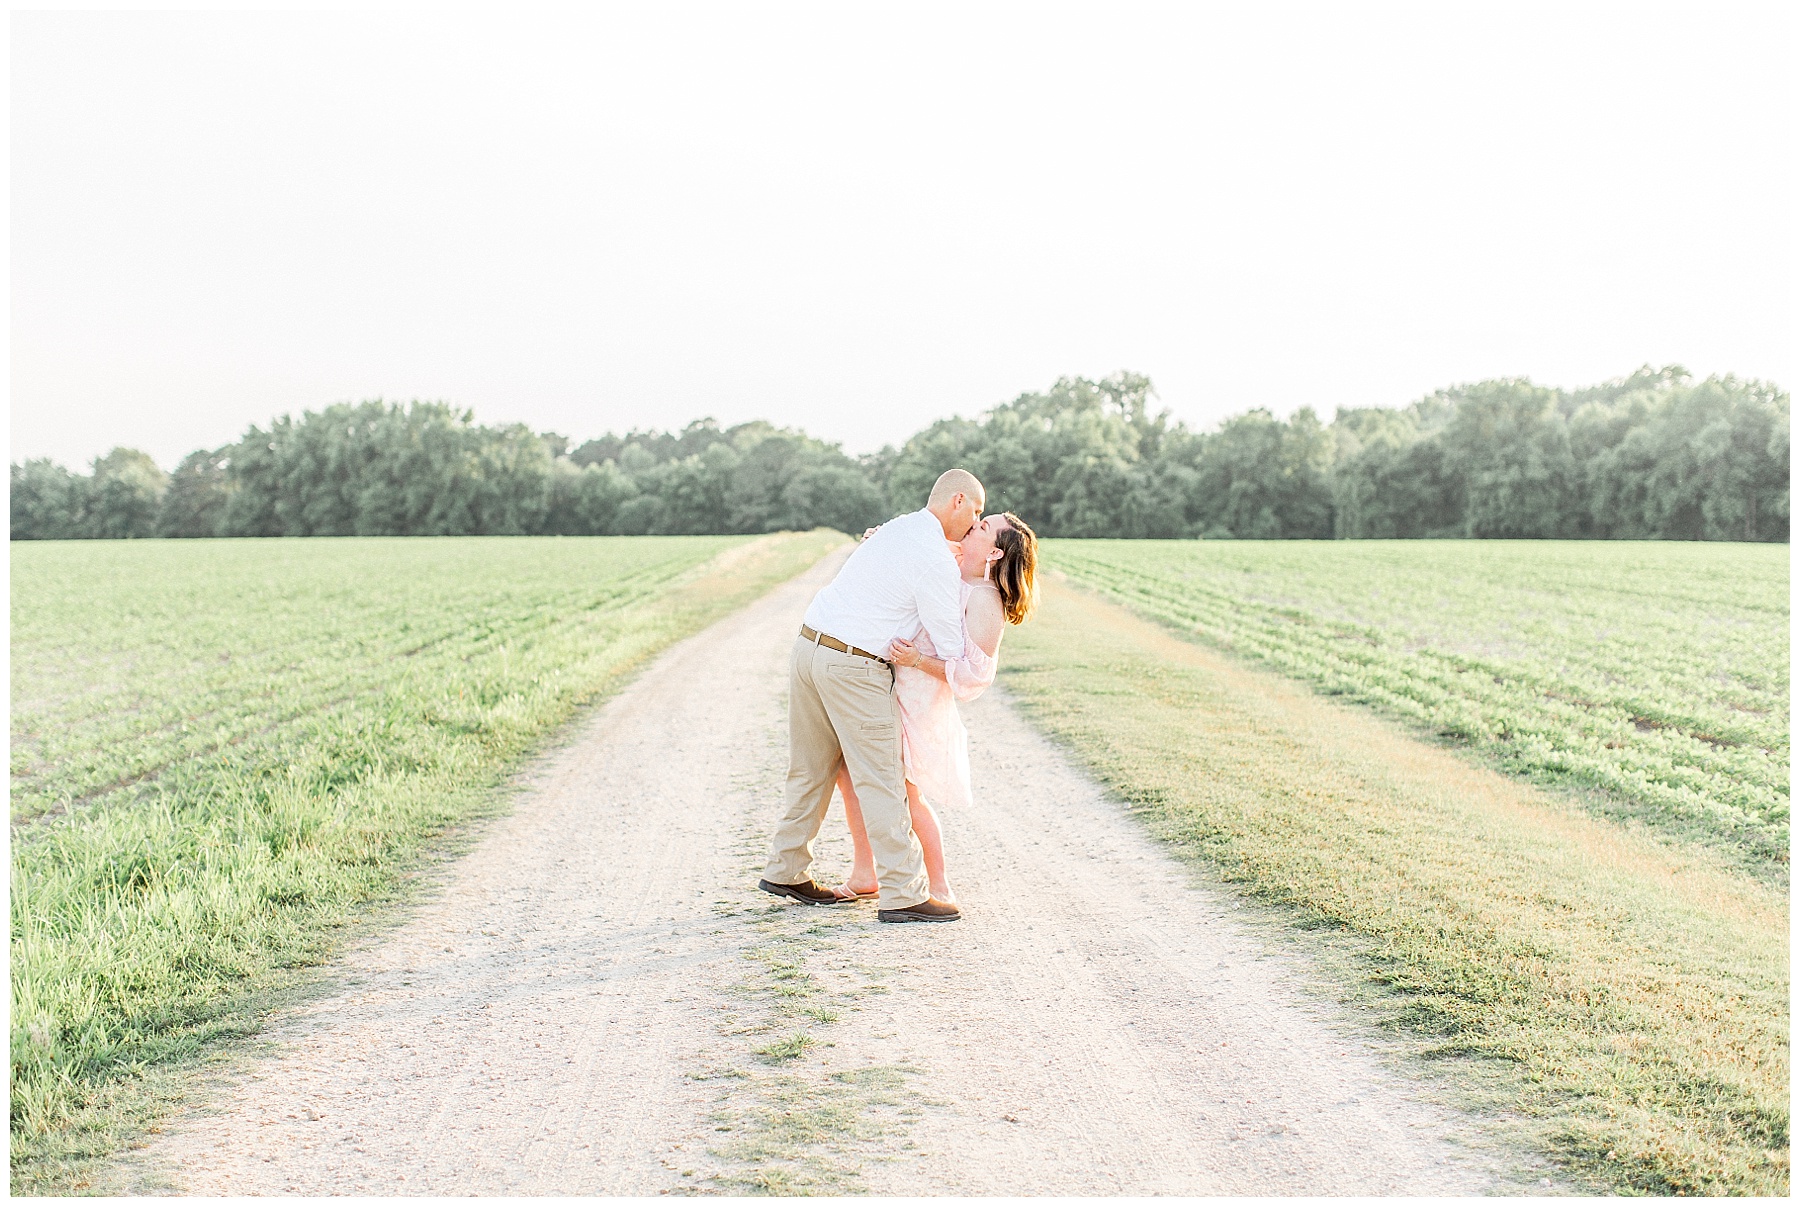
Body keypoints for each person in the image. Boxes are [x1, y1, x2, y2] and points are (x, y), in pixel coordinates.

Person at [758, 468, 985, 923]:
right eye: (976, 512)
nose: (975, 523)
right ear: (957, 500)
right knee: (882, 779)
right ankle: (903, 892)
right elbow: (948, 645)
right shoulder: (934, 559)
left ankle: (786, 869)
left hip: (808, 647)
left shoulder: (897, 528)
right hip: (853, 667)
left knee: (809, 768)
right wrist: (978, 587)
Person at [830, 512, 1038, 903]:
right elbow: (909, 558)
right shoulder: (952, 561)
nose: (972, 525)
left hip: (920, 699)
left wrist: (917, 662)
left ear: (994, 551)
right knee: (849, 771)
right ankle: (864, 872)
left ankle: (940, 884)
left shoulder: (984, 599)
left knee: (906, 792)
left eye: (982, 527)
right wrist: (881, 542)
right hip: (887, 683)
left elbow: (976, 676)